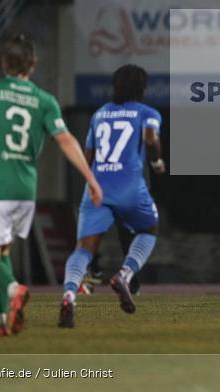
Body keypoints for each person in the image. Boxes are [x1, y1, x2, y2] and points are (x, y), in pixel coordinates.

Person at [0, 35, 102, 336]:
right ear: (31, 65)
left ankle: (14, 289)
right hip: (25, 192)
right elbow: (66, 141)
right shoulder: (44, 100)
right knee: (3, 253)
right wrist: (91, 179)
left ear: (4, 64)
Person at [58, 64, 166, 328]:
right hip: (129, 187)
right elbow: (150, 139)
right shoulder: (147, 112)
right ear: (141, 88)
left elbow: (89, 157)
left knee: (83, 249)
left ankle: (69, 295)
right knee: (149, 229)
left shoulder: (99, 115)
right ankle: (124, 275)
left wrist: (91, 183)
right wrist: (157, 162)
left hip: (97, 188)